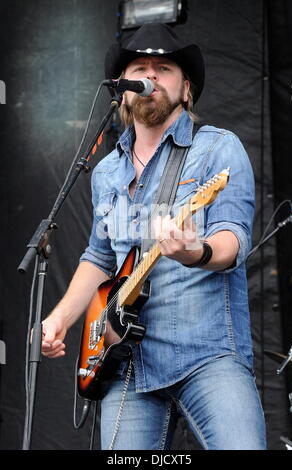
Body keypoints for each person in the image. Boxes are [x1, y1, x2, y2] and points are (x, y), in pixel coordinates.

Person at [40, 23, 267, 450]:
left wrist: (195, 252)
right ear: (124, 89)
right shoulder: (107, 171)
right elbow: (99, 256)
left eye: (164, 67)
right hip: (127, 363)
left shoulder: (217, 149)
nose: (152, 75)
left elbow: (233, 240)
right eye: (141, 67)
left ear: (185, 89)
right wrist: (61, 319)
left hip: (207, 355)